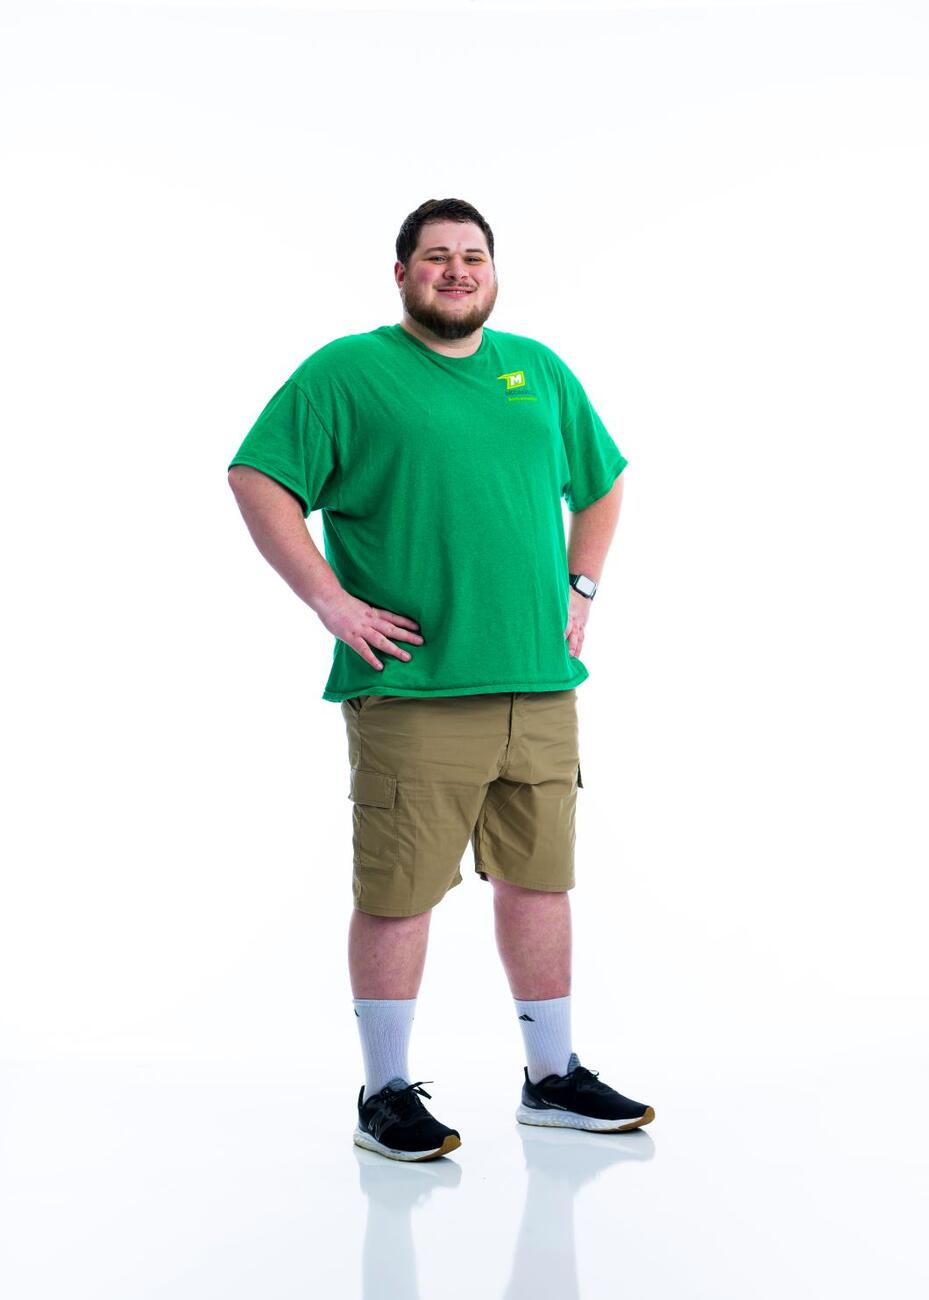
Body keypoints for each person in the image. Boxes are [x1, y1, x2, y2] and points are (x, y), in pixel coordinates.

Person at [227, 198, 654, 1163]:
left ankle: (552, 1078)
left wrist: (582, 585)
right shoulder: (350, 371)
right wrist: (331, 602)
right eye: (435, 257)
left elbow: (603, 480)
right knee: (398, 893)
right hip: (414, 689)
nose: (455, 271)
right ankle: (384, 1093)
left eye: (472, 257)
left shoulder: (534, 369)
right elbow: (259, 478)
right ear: (401, 273)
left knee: (540, 883)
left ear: (492, 272)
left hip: (538, 683)